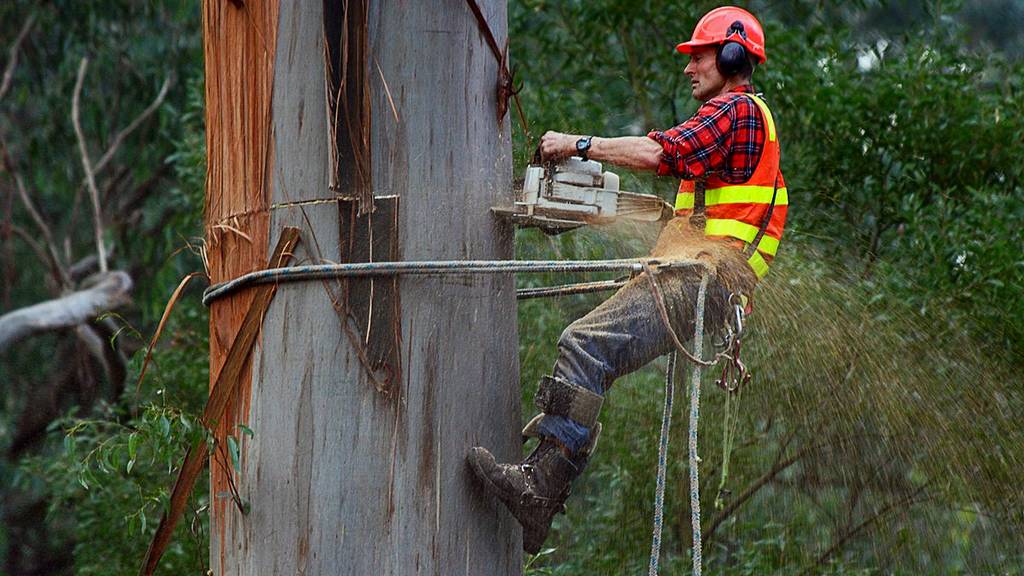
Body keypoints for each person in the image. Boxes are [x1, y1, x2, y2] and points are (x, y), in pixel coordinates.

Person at [467, 6, 788, 553]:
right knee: (592, 353)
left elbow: (659, 151)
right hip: (702, 280)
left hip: (703, 280)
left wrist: (577, 144)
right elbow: (693, 207)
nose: (689, 69)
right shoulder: (740, 125)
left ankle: (541, 488)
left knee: (586, 346)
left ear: (733, 56)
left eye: (700, 56)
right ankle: (544, 485)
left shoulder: (736, 111)